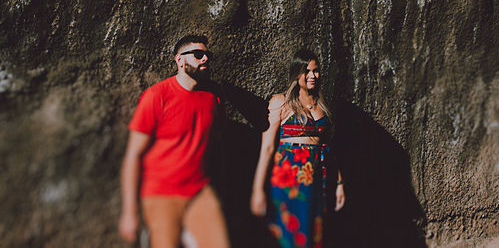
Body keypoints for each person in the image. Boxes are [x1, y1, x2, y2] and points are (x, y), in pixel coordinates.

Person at [119, 34, 229, 248]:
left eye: (208, 54)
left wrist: (220, 188)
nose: (205, 58)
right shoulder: (157, 95)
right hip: (161, 193)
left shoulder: (214, 95)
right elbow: (133, 154)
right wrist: (129, 212)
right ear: (179, 60)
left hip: (200, 191)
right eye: (198, 54)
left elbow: (218, 146)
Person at [250, 49, 345, 248]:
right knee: (287, 234)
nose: (312, 75)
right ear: (296, 73)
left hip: (317, 181)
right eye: (306, 71)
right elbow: (267, 147)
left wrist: (339, 183)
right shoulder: (281, 102)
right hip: (288, 180)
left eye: (315, 71)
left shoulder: (322, 105)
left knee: (312, 234)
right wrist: (258, 189)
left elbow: (329, 148)